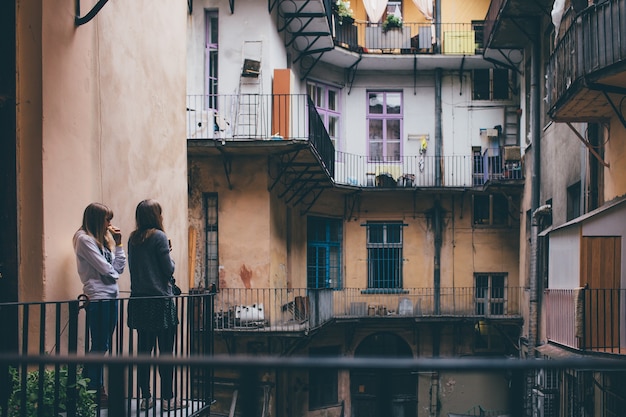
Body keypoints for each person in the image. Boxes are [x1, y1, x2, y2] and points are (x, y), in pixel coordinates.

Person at [127, 199, 187, 411]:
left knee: (144, 352)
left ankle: (146, 397)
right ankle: (168, 399)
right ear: (156, 215)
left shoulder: (133, 239)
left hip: (140, 301)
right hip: (160, 302)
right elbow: (168, 269)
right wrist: (168, 252)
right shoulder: (159, 237)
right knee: (165, 352)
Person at [73, 202, 126, 407]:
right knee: (99, 345)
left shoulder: (103, 241)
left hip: (110, 297)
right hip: (98, 298)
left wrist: (119, 244)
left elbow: (118, 269)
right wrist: (112, 272)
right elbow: (107, 270)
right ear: (97, 219)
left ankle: (89, 387)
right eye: (107, 219)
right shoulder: (83, 239)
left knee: (101, 345)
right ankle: (94, 390)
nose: (109, 224)